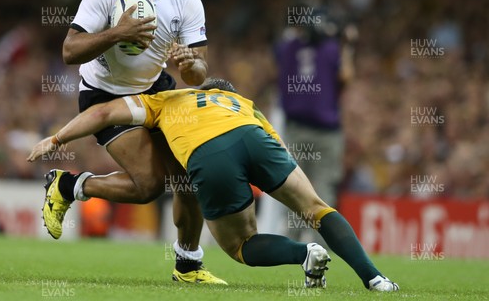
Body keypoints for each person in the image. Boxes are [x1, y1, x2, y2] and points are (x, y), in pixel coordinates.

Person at [28, 78, 399, 292]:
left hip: (210, 153)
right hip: (255, 135)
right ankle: (376, 279)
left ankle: (302, 255)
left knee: (241, 245)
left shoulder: (167, 98)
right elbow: (277, 146)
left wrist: (58, 139)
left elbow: (104, 112)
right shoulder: (243, 102)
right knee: (317, 208)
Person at [48, 0, 225, 284]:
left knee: (188, 178)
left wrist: (188, 63)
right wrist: (118, 31)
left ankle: (188, 265)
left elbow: (199, 73)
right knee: (149, 187)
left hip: (156, 89)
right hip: (104, 94)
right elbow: (69, 50)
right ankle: (67, 186)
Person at [259, 0, 357, 243]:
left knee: (293, 189)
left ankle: (292, 246)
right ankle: (320, 248)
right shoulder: (331, 48)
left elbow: (275, 60)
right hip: (326, 131)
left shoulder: (288, 46)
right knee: (322, 191)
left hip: (296, 129)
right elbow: (346, 76)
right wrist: (347, 43)